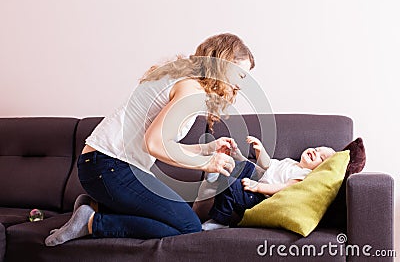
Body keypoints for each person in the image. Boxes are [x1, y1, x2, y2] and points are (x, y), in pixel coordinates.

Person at [45, 33, 256, 246]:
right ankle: (92, 222)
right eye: (239, 74)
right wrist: (208, 163)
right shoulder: (192, 91)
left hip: (100, 166)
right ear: (221, 64)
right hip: (111, 167)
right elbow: (154, 144)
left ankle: (96, 206)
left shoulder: (183, 80)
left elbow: (164, 142)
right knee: (189, 227)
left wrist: (205, 148)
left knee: (174, 219)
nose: (241, 84)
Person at [202, 136, 336, 230]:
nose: (315, 151)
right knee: (245, 166)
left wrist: (258, 187)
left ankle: (221, 221)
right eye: (317, 148)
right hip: (257, 180)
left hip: (260, 198)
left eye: (321, 157)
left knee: (232, 186)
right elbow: (266, 165)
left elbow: (284, 188)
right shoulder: (290, 162)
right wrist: (260, 149)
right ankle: (216, 175)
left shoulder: (304, 174)